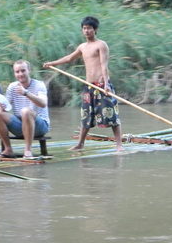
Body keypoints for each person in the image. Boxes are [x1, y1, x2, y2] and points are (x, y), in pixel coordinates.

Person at [43, 15, 123, 151]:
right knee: (86, 115)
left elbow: (104, 65)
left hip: (101, 85)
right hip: (89, 86)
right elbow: (69, 58)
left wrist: (106, 85)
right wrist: (52, 63)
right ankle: (80, 143)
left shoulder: (101, 45)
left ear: (95, 29)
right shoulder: (82, 47)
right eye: (84, 28)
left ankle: (119, 144)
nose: (86, 31)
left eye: (89, 28)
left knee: (111, 115)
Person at [0, 59, 50, 159]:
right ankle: (8, 149)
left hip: (40, 125)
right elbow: (6, 107)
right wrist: (1, 106)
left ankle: (27, 150)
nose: (20, 74)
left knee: (25, 111)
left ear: (29, 70)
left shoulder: (39, 84)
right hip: (21, 124)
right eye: (17, 72)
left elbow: (43, 103)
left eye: (23, 71)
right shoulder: (12, 86)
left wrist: (26, 93)